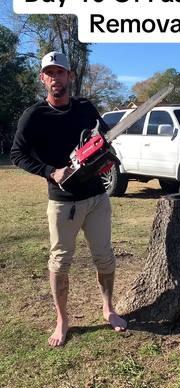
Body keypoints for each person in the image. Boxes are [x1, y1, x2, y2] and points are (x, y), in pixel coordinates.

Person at [10, 51, 127, 347]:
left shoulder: (86, 107)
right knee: (60, 261)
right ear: (42, 79)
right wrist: (52, 171)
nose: (55, 78)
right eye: (49, 73)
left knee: (105, 256)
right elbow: (17, 155)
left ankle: (108, 308)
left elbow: (102, 135)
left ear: (69, 76)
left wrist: (102, 154)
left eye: (60, 72)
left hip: (97, 197)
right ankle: (62, 319)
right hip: (63, 203)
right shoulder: (34, 116)